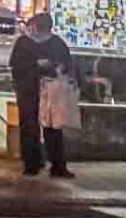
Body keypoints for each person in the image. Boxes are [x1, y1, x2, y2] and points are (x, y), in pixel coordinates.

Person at [8, 13, 76, 178]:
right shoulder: (56, 44)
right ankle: (54, 164)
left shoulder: (24, 43)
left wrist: (35, 67)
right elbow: (66, 66)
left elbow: (15, 66)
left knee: (34, 126)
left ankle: (33, 164)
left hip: (32, 90)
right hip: (43, 89)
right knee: (49, 127)